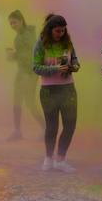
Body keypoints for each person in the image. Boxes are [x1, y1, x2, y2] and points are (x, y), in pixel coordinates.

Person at [33, 14, 79, 173]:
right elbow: (36, 67)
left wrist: (74, 67)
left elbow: (75, 61)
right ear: (50, 30)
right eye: (57, 31)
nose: (60, 34)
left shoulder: (68, 43)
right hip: (48, 90)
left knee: (70, 125)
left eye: (63, 31)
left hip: (68, 89)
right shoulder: (41, 44)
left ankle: (61, 159)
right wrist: (55, 69)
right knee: (52, 126)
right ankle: (48, 158)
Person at [6, 10, 41, 141]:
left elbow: (32, 55)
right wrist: (13, 56)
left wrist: (15, 55)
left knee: (30, 102)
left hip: (29, 73)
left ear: (21, 21)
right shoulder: (18, 37)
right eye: (10, 23)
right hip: (21, 72)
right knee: (17, 101)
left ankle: (46, 129)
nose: (12, 25)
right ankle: (17, 131)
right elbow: (23, 55)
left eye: (14, 22)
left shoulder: (28, 35)